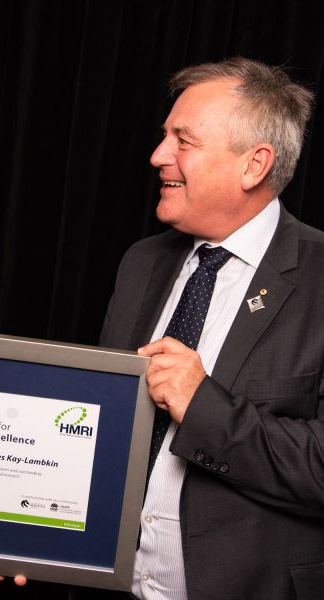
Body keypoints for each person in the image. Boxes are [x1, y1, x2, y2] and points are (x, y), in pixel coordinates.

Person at [99, 57, 324, 600]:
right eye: (163, 137)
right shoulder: (142, 262)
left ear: (254, 165)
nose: (158, 156)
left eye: (184, 140)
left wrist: (203, 407)